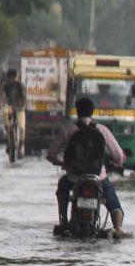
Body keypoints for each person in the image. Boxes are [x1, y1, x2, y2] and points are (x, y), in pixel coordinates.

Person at [47, 97, 127, 238]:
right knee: (113, 202)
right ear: (92, 112)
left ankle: (64, 221)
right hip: (98, 178)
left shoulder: (69, 129)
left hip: (74, 178)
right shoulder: (102, 130)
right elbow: (119, 156)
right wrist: (118, 162)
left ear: (77, 112)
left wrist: (57, 161)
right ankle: (118, 229)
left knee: (62, 188)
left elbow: (51, 153)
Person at [0, 68, 27, 159]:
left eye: (13, 78)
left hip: (19, 108)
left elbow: (24, 97)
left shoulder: (20, 85)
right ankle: (7, 133)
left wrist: (24, 106)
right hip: (10, 106)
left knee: (22, 128)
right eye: (10, 78)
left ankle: (19, 148)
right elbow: (4, 96)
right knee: (4, 112)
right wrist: (1, 104)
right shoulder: (6, 85)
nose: (12, 80)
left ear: (16, 77)